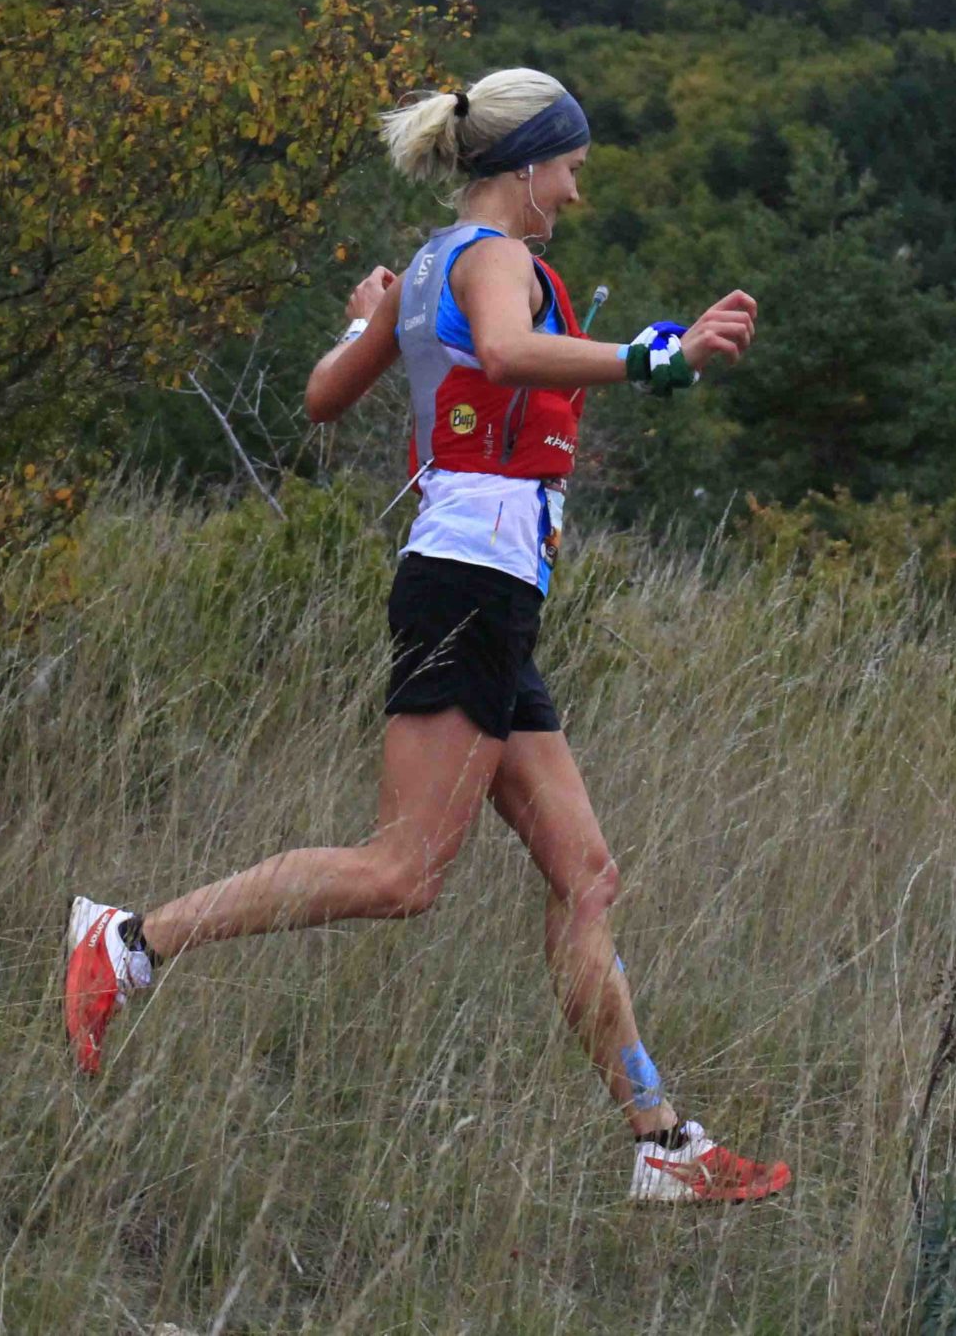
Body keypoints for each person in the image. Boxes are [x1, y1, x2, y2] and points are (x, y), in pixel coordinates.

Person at [65, 67, 788, 1204]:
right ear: (525, 166)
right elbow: (504, 355)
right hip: (466, 584)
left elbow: (319, 396)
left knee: (586, 877)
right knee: (403, 872)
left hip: (492, 590)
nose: (576, 191)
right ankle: (130, 940)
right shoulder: (494, 257)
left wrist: (367, 321)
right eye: (571, 168)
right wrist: (664, 355)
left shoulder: (429, 272)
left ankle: (661, 1143)